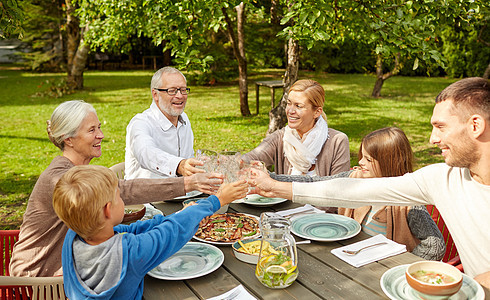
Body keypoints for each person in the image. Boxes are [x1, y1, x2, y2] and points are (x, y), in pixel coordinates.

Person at [249, 77, 490, 287]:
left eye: (440, 127)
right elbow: (351, 189)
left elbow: (435, 247)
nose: (432, 138)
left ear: (475, 125)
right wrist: (273, 184)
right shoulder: (441, 178)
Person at [9, 100, 223, 277]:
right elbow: (123, 190)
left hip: (71, 262)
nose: (101, 135)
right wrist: (188, 183)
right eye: (92, 130)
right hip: (40, 276)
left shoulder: (77, 170)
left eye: (99, 127)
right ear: (69, 139)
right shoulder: (62, 178)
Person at [53, 165, 248, 299]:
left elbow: (131, 230)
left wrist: (182, 215)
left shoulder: (73, 238)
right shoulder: (130, 254)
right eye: (119, 197)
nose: (123, 200)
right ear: (107, 209)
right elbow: (170, 233)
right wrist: (216, 201)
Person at [271, 127, 445, 260]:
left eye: (368, 159)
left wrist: (403, 268)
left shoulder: (408, 202)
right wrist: (272, 179)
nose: (360, 162)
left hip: (379, 272)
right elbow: (314, 183)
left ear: (389, 163)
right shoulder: (355, 177)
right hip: (349, 258)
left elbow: (435, 246)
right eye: (362, 156)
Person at [242, 79, 350, 177]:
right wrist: (230, 161)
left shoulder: (337, 141)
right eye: (289, 103)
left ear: (317, 112)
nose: (290, 111)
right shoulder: (280, 137)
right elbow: (249, 158)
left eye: (298, 106)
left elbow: (339, 187)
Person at [125, 66, 202, 179]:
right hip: (149, 195)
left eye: (183, 90)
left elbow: (188, 160)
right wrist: (179, 165)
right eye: (172, 91)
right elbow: (146, 153)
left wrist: (208, 164)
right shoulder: (140, 123)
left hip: (184, 193)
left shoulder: (184, 119)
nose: (180, 96)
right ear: (155, 94)